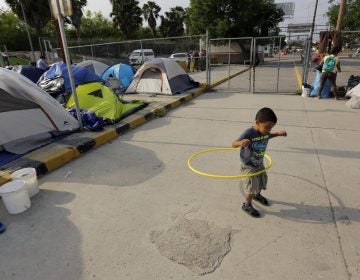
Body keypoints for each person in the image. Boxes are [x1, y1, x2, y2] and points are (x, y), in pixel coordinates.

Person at [232, 107, 287, 218]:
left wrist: (278, 133)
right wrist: (241, 143)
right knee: (252, 185)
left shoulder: (265, 132)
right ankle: (247, 204)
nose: (268, 130)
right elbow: (233, 143)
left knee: (261, 181)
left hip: (259, 163)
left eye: (271, 128)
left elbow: (267, 136)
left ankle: (257, 195)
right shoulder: (249, 132)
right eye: (267, 127)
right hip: (248, 165)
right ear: (258, 122)